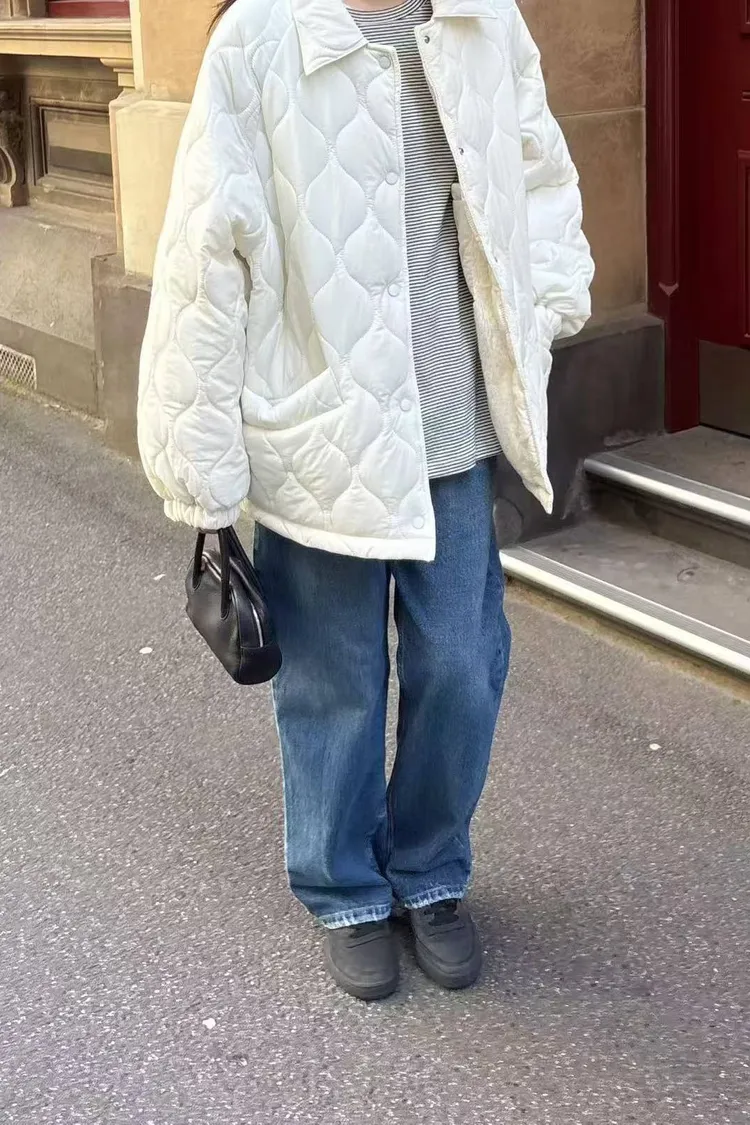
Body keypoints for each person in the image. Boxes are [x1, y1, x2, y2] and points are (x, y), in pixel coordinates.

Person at [137, 0, 594, 1001]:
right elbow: (202, 261)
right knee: (334, 679)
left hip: (456, 426)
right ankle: (344, 885)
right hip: (322, 434)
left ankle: (430, 870)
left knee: (462, 667)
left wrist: (546, 306)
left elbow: (536, 172)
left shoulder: (481, 19)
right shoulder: (261, 36)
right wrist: (202, 472)